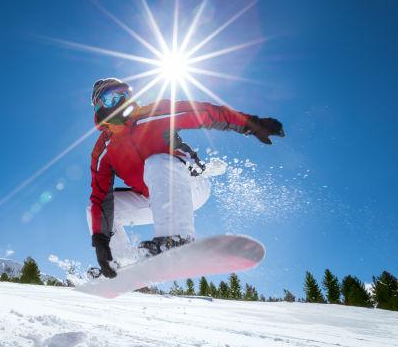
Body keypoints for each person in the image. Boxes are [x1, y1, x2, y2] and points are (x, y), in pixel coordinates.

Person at [87, 78, 284, 279]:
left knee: (157, 162)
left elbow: (204, 113)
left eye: (125, 95)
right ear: (99, 106)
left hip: (188, 185)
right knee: (97, 209)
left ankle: (176, 239)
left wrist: (251, 124)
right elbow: (100, 197)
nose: (121, 101)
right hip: (154, 199)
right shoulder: (102, 151)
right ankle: (118, 264)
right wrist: (101, 242)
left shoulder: (152, 114)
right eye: (112, 98)